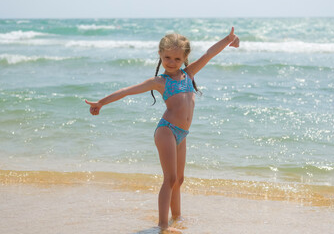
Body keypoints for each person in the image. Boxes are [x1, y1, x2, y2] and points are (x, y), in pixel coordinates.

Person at [85, 27, 239, 232]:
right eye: (167, 57)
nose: (171, 62)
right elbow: (126, 91)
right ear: (160, 55)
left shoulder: (189, 73)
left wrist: (227, 40)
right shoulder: (159, 82)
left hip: (182, 135)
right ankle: (162, 225)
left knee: (180, 180)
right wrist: (101, 103)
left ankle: (177, 218)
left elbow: (209, 54)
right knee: (170, 178)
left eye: (177, 58)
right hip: (166, 131)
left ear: (184, 58)